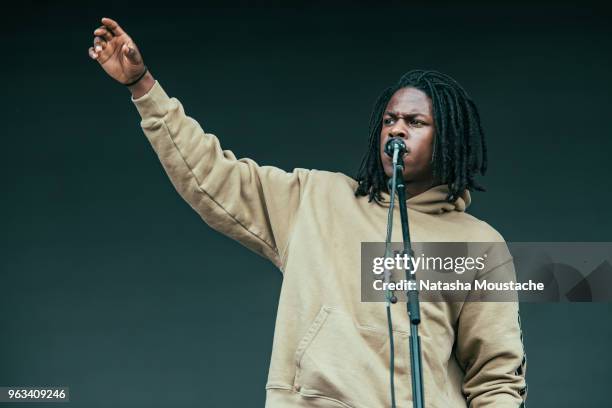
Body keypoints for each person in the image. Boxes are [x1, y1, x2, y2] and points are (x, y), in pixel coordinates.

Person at [88, 16, 528, 407]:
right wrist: (144, 88)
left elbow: (497, 380)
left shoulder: (479, 245)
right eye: (390, 119)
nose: (396, 128)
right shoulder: (318, 198)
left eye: (415, 123)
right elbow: (212, 177)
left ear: (448, 139)